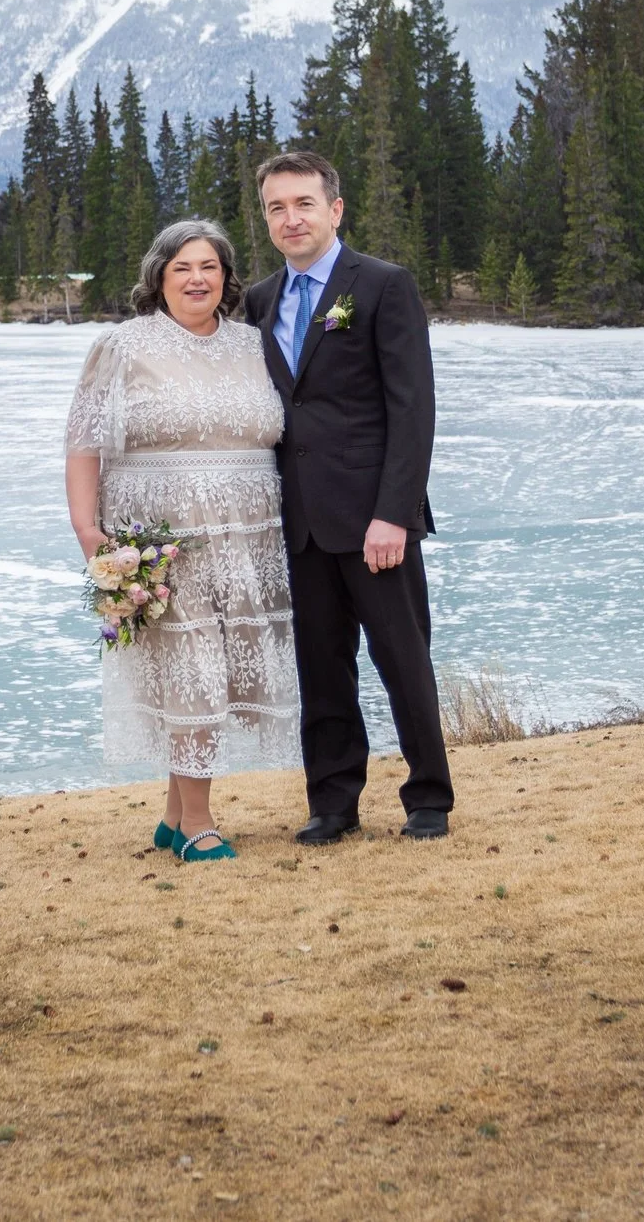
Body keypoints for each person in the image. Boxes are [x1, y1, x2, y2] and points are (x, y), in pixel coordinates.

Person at [63, 220, 298, 862]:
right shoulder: (124, 345)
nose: (198, 279)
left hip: (251, 539)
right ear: (158, 279)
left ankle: (173, 814)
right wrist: (90, 532)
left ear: (226, 278)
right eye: (182, 269)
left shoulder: (254, 344)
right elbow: (82, 443)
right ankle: (198, 822)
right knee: (189, 669)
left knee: (212, 669)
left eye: (210, 268)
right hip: (164, 537)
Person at [241, 151, 452, 844]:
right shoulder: (261, 301)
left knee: (402, 660)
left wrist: (394, 512)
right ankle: (333, 801)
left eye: (303, 203)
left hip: (374, 520)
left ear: (335, 209)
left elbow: (412, 409)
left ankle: (428, 796)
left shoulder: (383, 286)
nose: (290, 217)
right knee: (322, 669)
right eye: (276, 206)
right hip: (299, 523)